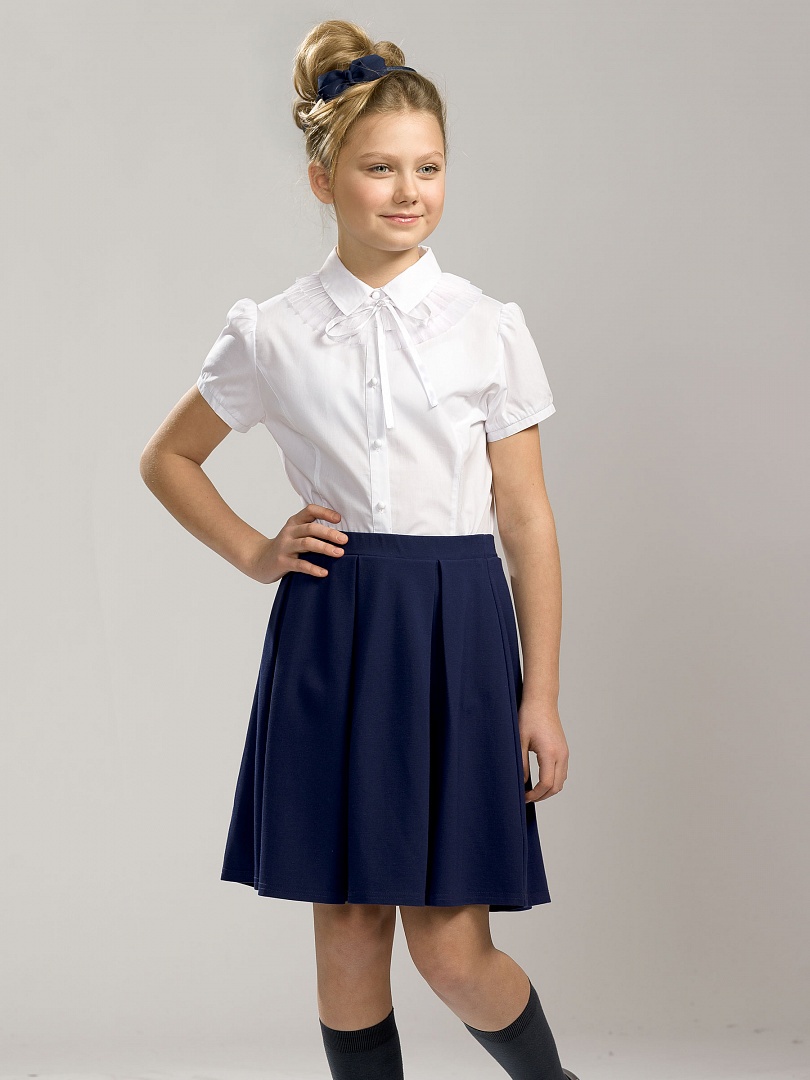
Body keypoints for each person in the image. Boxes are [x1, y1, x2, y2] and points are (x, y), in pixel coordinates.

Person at [139, 18, 579, 1080]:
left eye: (428, 167)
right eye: (380, 168)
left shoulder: (486, 325)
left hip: (458, 629)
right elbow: (169, 459)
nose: (407, 190)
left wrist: (541, 694)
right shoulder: (274, 330)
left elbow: (525, 519)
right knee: (346, 926)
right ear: (322, 180)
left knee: (451, 946)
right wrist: (257, 552)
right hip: (334, 629)